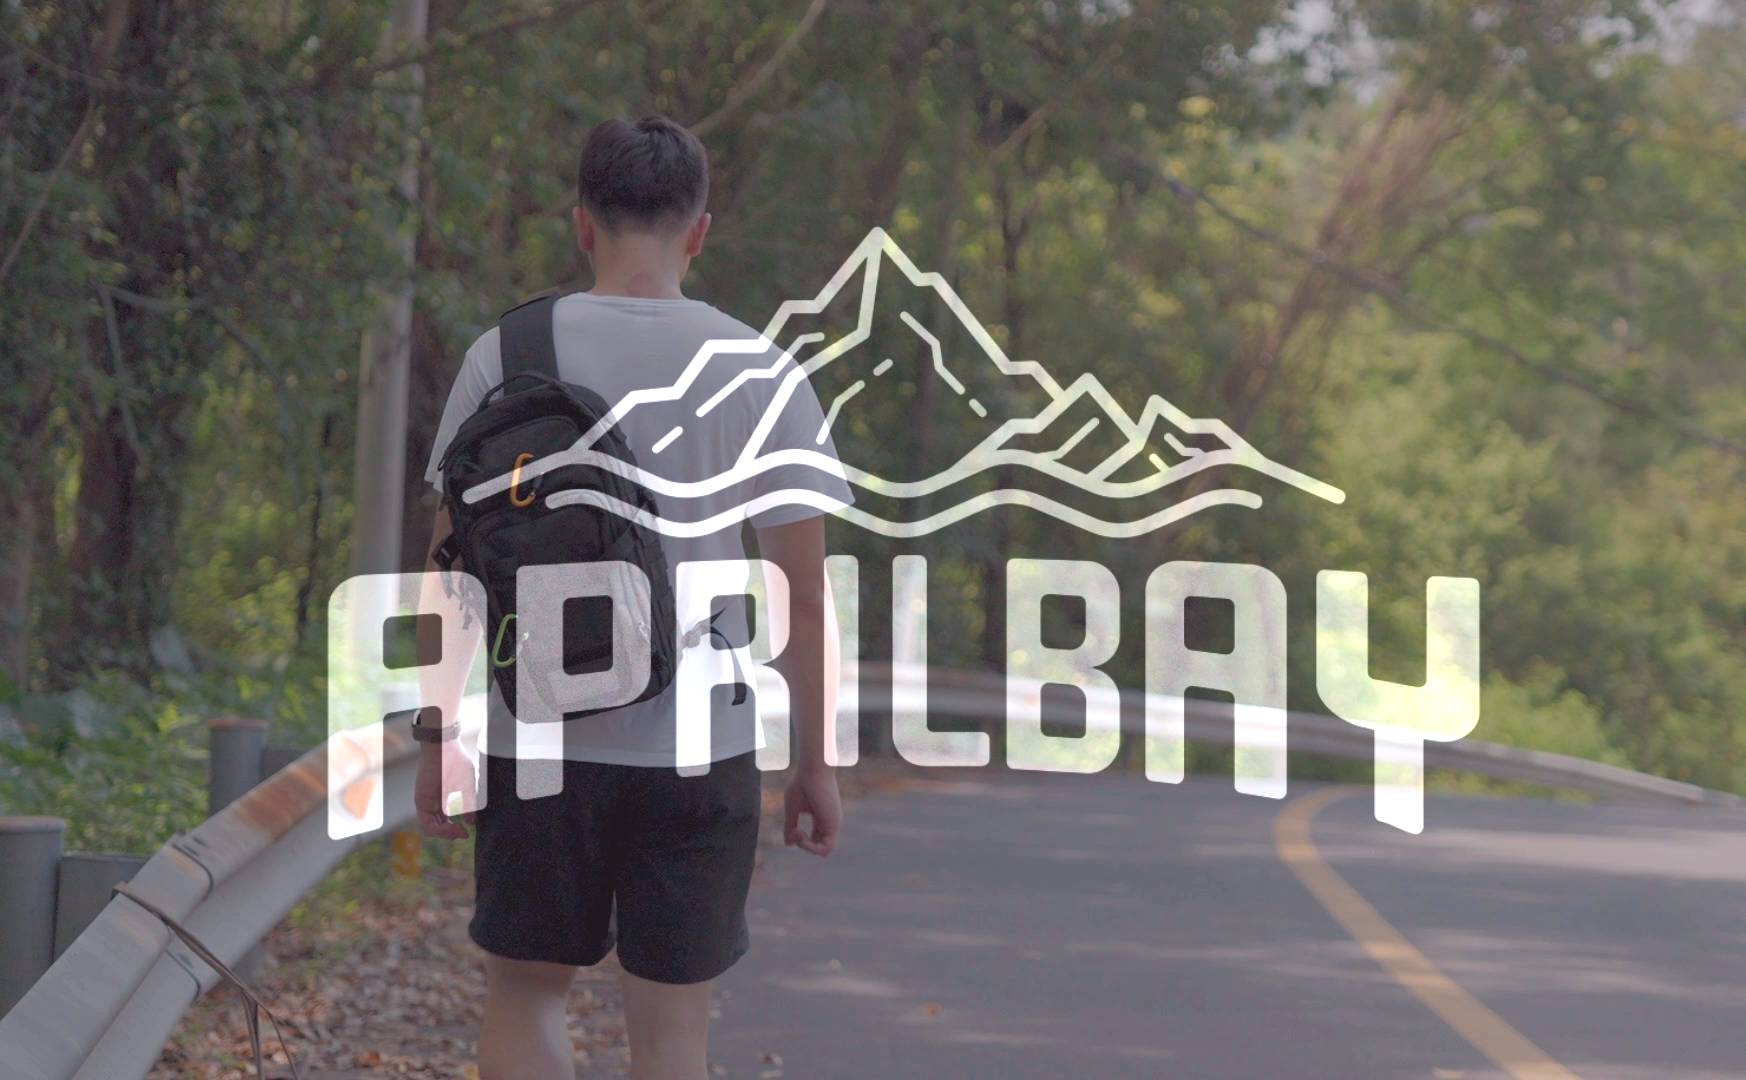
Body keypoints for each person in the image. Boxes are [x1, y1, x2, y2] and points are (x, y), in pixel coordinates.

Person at [413, 115, 850, 1080]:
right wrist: (813, 763)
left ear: (582, 223)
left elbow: (451, 566)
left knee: (526, 995)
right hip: (701, 743)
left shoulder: (507, 352)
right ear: (700, 231)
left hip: (538, 734)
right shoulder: (759, 370)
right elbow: (803, 599)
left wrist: (439, 732)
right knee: (672, 1035)